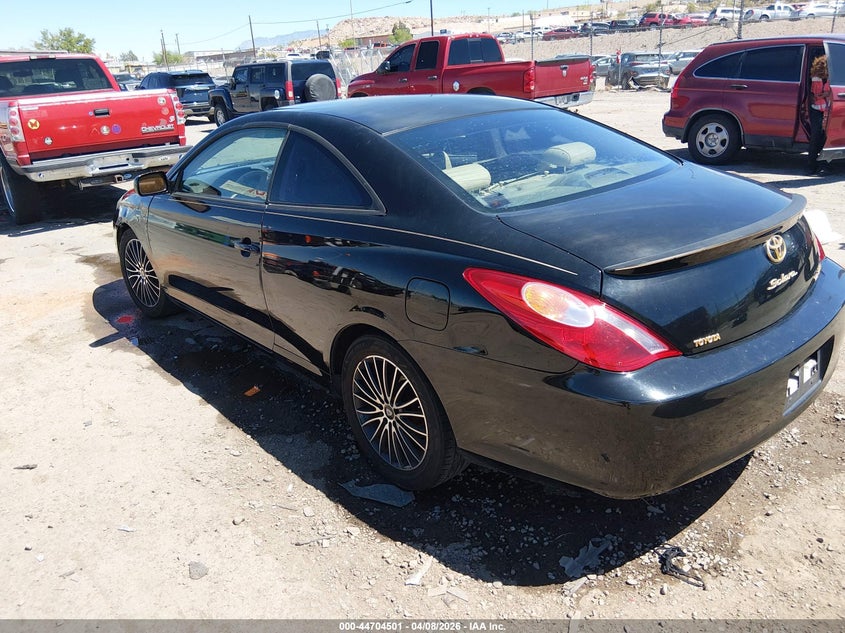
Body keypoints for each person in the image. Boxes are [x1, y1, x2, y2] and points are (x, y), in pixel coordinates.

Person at [807, 55, 831, 175]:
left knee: (821, 137)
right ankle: (814, 165)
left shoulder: (829, 77)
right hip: (819, 109)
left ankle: (818, 165)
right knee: (818, 136)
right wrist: (825, 94)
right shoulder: (816, 77)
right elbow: (815, 93)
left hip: (826, 110)